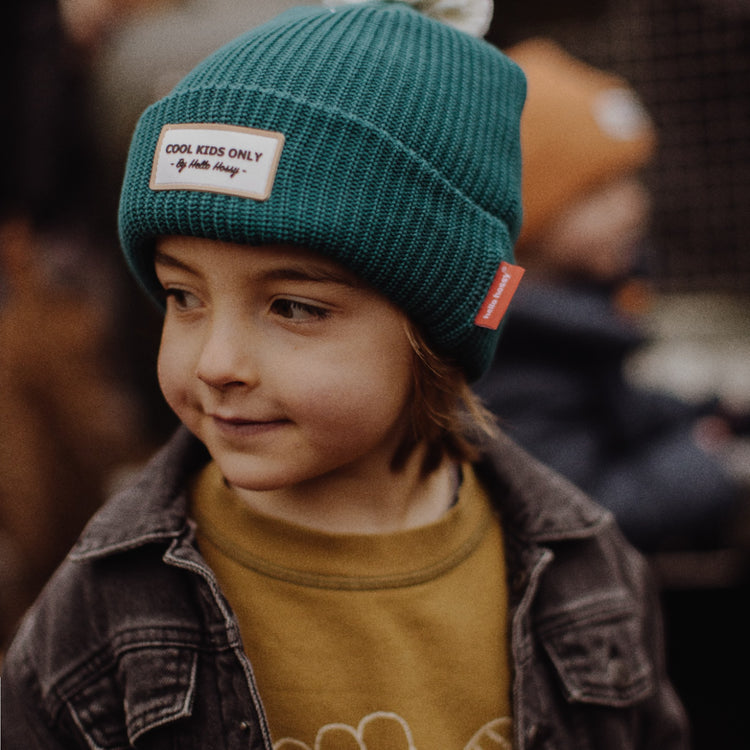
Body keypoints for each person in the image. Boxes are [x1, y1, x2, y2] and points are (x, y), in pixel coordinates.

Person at [1, 2, 688, 748]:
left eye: (293, 306)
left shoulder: (589, 575)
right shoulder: (99, 613)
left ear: (436, 323)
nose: (215, 363)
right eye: (183, 297)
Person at [474, 38, 742, 553]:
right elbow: (577, 508)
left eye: (631, 179)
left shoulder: (569, 314)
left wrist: (708, 414)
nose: (635, 205)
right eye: (599, 191)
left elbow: (610, 411)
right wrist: (702, 463)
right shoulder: (510, 353)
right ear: (524, 211)